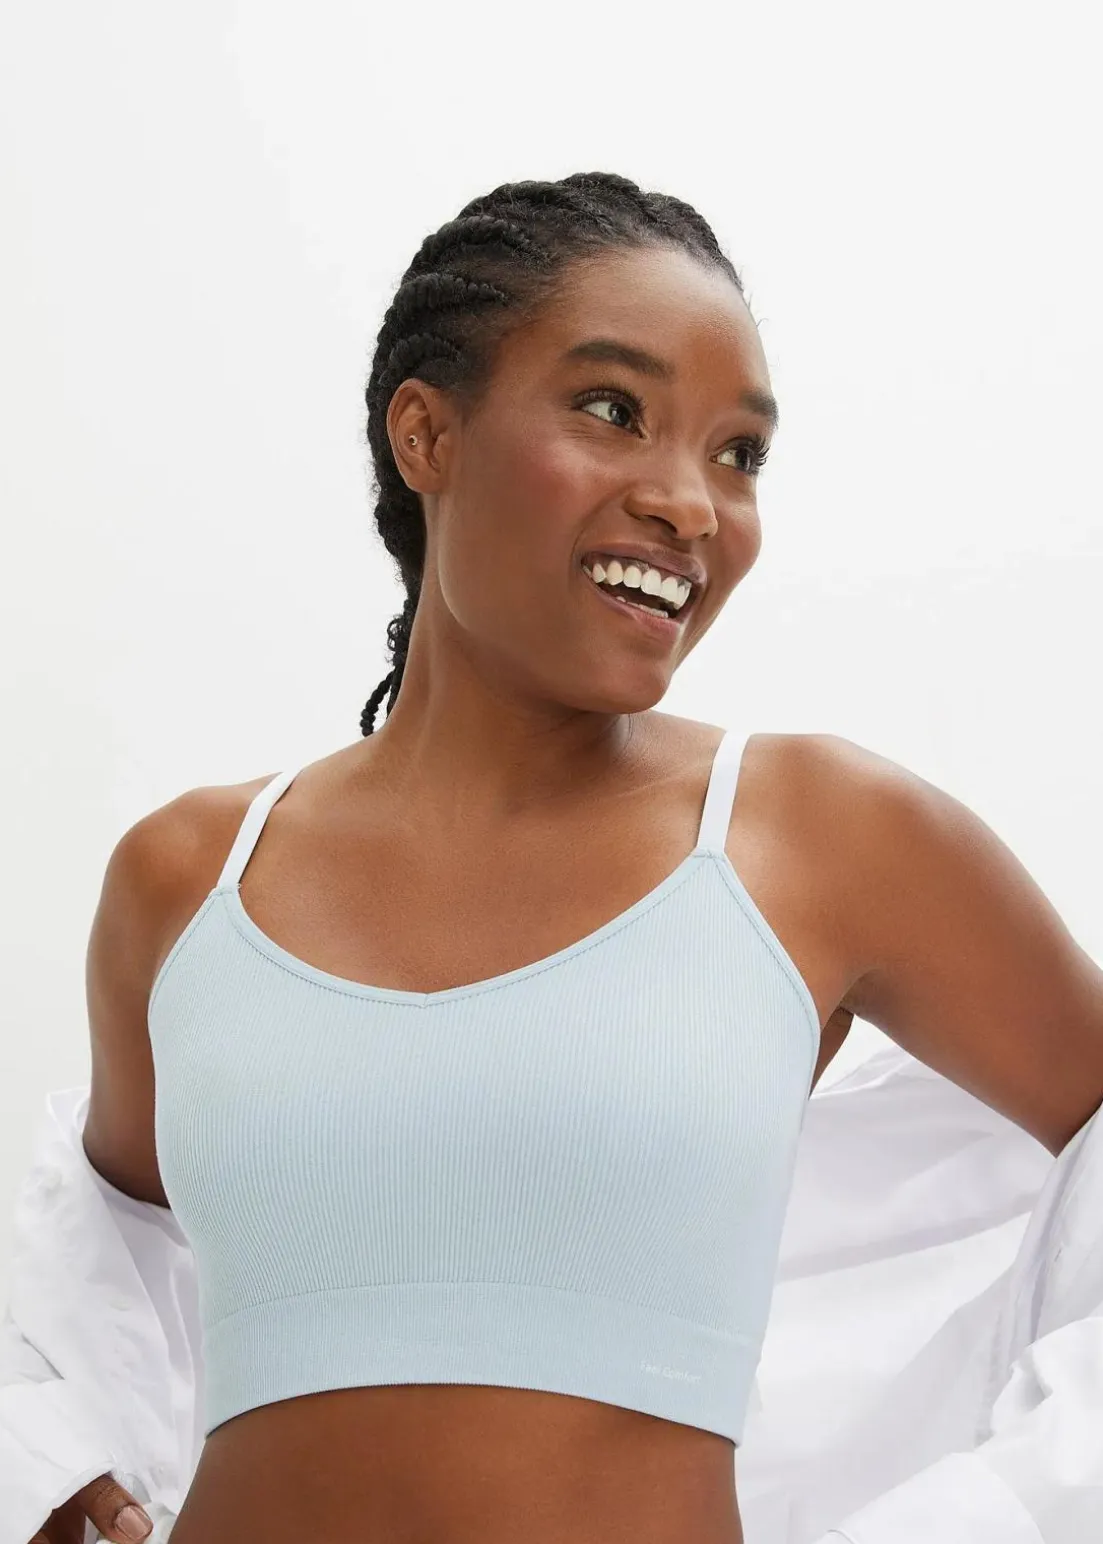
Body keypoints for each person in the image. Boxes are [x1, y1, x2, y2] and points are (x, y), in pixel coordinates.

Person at [19, 170, 1103, 1544]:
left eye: (739, 454)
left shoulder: (817, 838)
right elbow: (95, 1248)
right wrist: (50, 1454)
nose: (691, 503)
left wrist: (1001, 1505)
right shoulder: (188, 878)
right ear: (426, 433)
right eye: (614, 410)